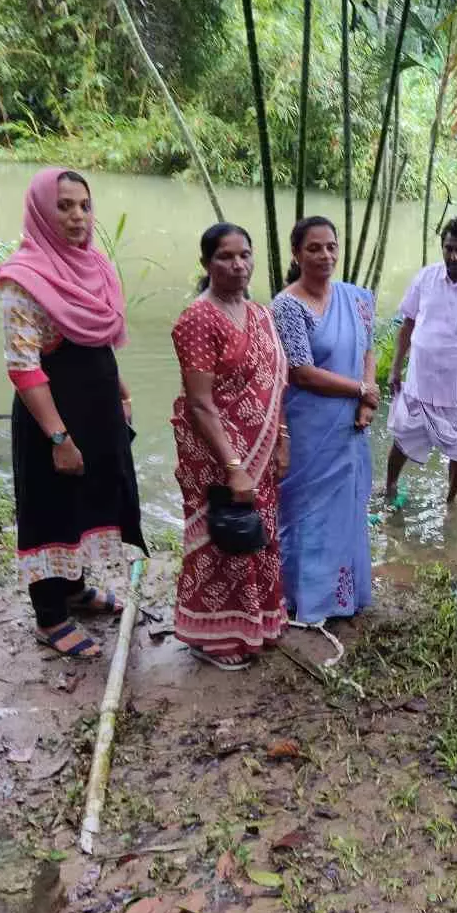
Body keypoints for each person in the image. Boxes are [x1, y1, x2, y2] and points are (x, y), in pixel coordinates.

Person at [0, 167, 146, 659]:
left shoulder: (93, 266)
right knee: (50, 509)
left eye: (83, 204)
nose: (78, 216)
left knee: (87, 501)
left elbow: (97, 342)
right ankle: (50, 617)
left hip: (96, 408)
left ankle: (76, 590)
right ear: (40, 209)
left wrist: (119, 390)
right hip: (52, 420)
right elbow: (24, 369)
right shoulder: (23, 280)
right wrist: (59, 439)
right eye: (63, 205)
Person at [171, 223, 288, 670]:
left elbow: (275, 385)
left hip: (260, 449)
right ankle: (214, 637)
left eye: (244, 255)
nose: (237, 265)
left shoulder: (260, 314)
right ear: (206, 264)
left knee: (258, 535)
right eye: (225, 257)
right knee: (222, 540)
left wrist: (280, 441)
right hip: (218, 455)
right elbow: (200, 404)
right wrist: (235, 465)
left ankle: (256, 623)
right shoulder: (198, 320)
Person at [272, 217, 376, 624]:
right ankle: (301, 598)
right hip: (308, 427)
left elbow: (368, 350)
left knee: (343, 512)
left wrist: (367, 398)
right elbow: (301, 371)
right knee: (305, 513)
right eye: (314, 248)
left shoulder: (356, 299)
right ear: (297, 254)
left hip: (349, 426)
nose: (325, 255)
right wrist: (358, 390)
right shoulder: (287, 306)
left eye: (331, 246)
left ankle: (340, 597)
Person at [386, 218, 457, 504]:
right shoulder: (425, 278)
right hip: (420, 382)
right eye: (448, 248)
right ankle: (388, 487)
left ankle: (449, 503)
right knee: (402, 438)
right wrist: (395, 367)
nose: (453, 256)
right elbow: (408, 324)